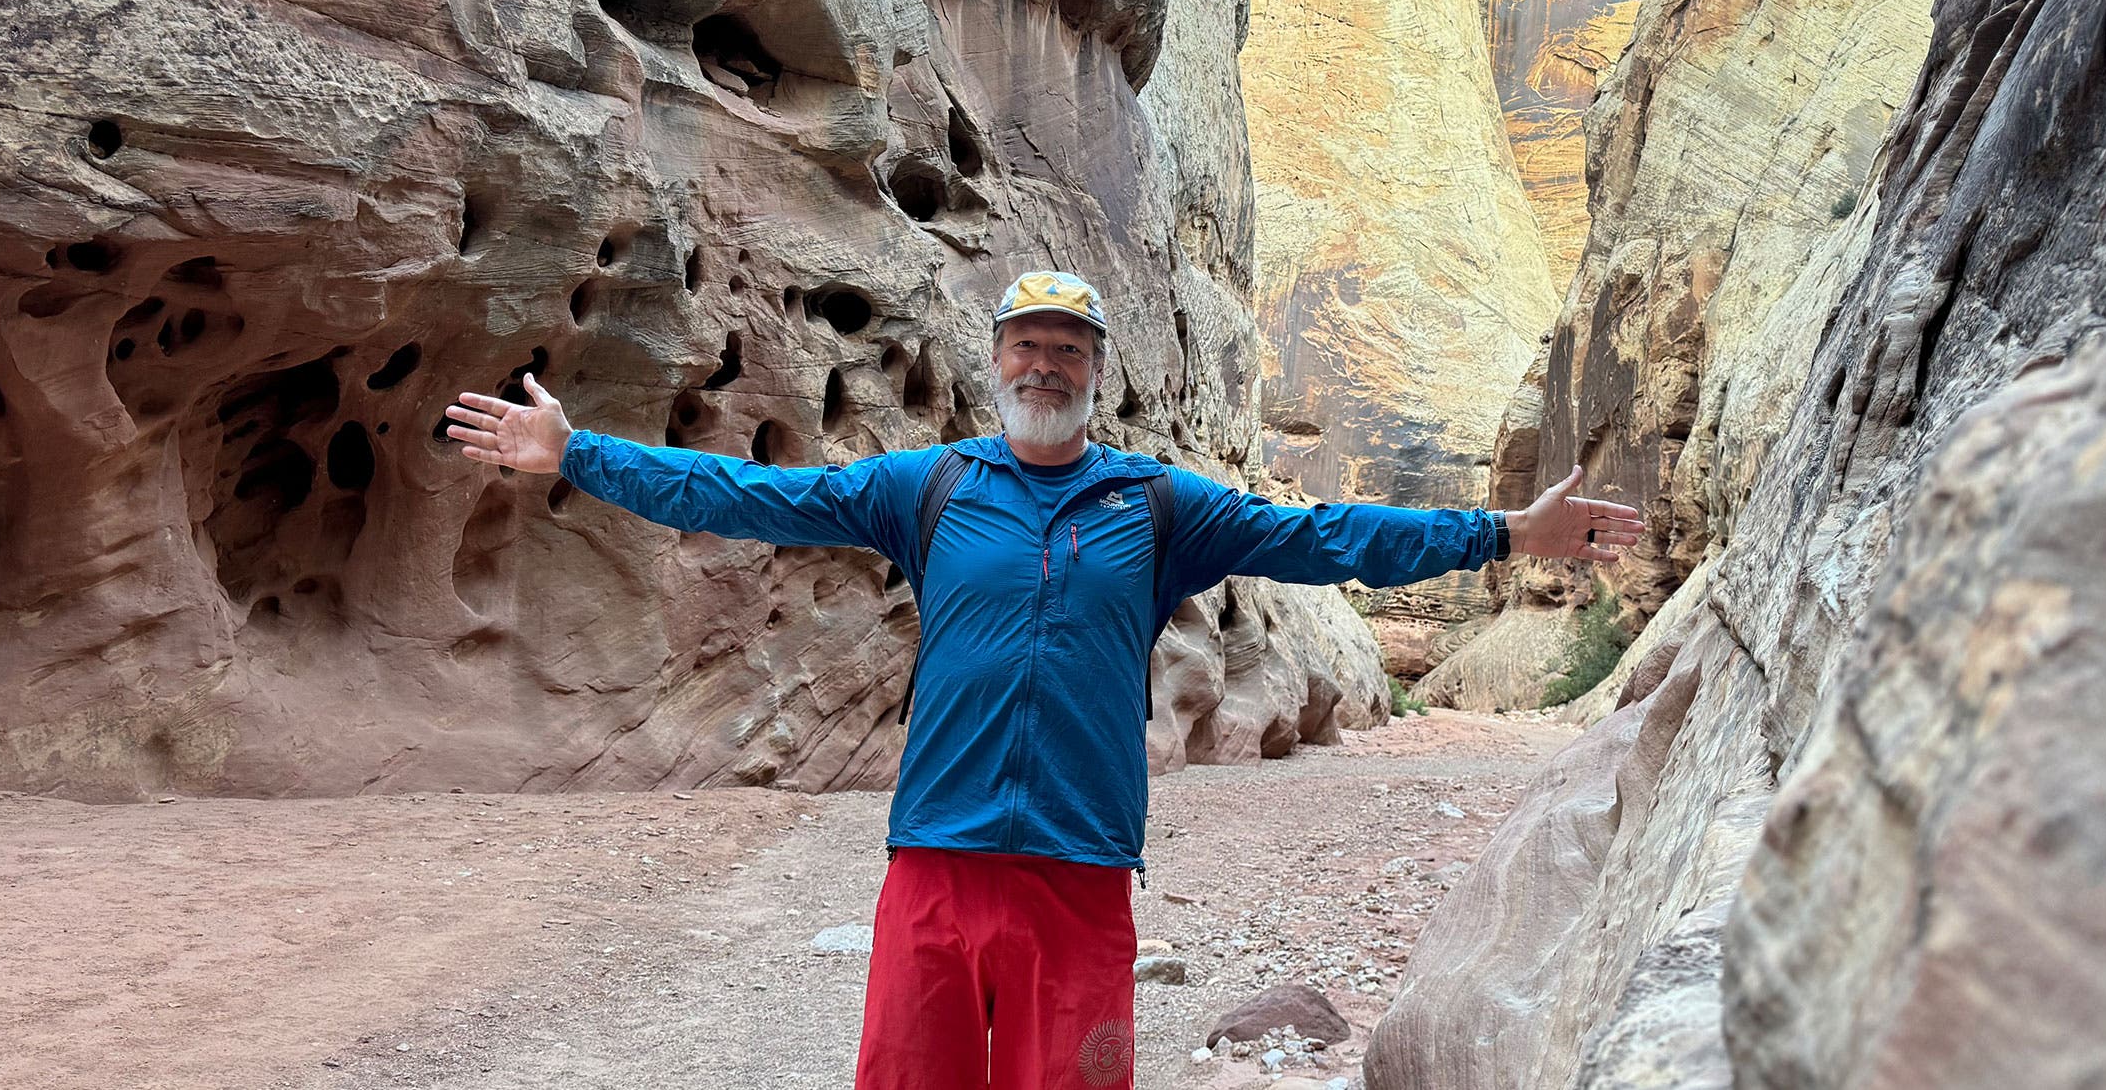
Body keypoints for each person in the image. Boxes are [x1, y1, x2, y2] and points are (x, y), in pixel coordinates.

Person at [442, 268, 1642, 1090]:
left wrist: (1499, 534)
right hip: (938, 863)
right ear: (997, 360)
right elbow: (749, 498)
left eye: (1069, 349)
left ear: (1097, 372)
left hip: (1076, 874)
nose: (1046, 364)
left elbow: (1324, 533)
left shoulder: (1156, 505)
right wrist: (576, 453)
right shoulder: (928, 486)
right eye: (1027, 344)